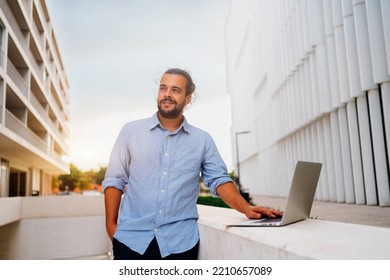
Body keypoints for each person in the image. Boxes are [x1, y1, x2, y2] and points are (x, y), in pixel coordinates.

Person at [102, 68, 282, 260]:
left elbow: (219, 180)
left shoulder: (202, 140)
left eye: (175, 90)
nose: (167, 94)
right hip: (131, 242)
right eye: (163, 88)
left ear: (188, 98)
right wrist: (111, 227)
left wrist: (245, 208)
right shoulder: (131, 132)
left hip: (180, 246)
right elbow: (114, 180)